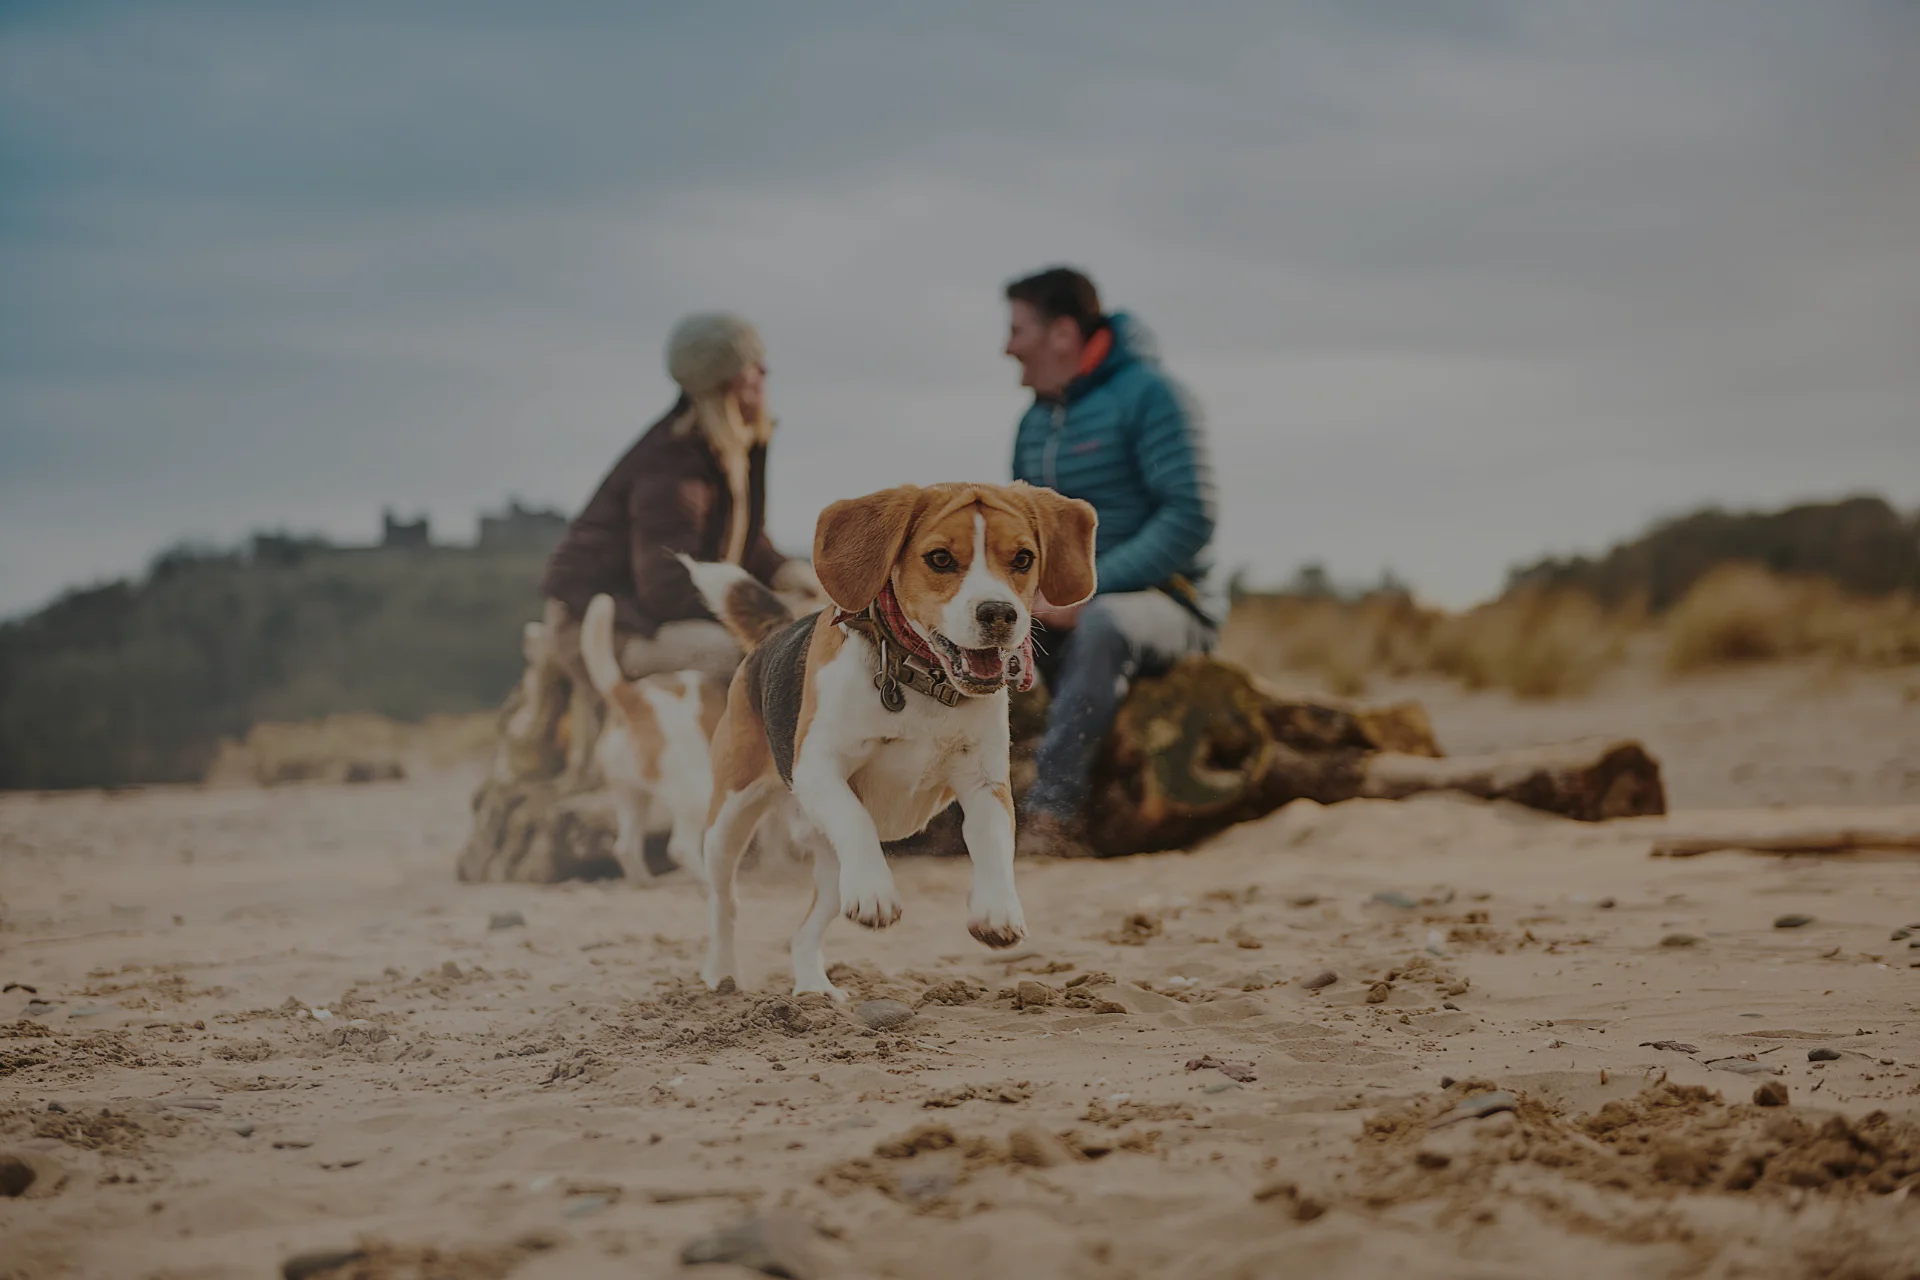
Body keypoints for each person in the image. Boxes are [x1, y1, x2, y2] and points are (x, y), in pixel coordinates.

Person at [524, 313, 819, 785]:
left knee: (791, 632)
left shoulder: (727, 446)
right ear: (726, 382)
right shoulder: (670, 468)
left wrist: (796, 578)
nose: (765, 374)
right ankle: (743, 783)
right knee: (745, 656)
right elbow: (667, 589)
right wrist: (769, 611)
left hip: (649, 610)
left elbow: (747, 545)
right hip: (605, 622)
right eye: (753, 365)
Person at [1002, 268, 1219, 856]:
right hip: (1065, 604)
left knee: (1105, 623)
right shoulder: (1034, 420)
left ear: (1063, 334)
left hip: (1169, 605)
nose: (1007, 345)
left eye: (1018, 329)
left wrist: (1088, 591)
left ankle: (1053, 820)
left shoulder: (1153, 395)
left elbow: (1191, 517)